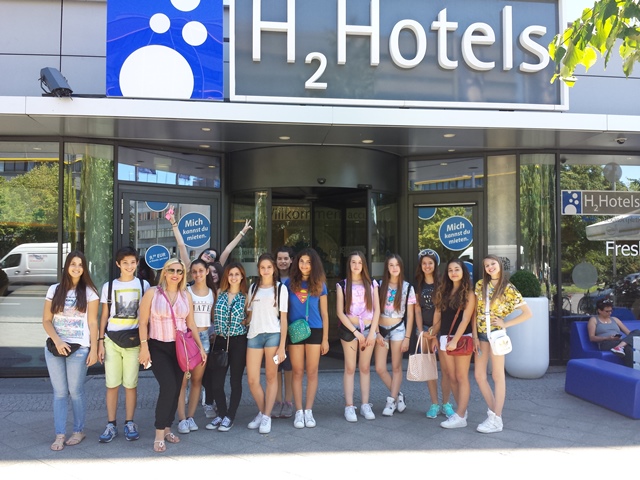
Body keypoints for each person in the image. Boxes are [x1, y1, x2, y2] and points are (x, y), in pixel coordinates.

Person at [138, 258, 207, 452]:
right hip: (158, 346)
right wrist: (144, 347)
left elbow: (191, 323)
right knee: (168, 386)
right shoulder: (152, 293)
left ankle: (168, 427)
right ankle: (159, 432)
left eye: (179, 271)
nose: (175, 274)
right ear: (165, 272)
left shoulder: (186, 295)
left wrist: (200, 347)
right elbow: (142, 322)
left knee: (176, 388)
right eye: (172, 270)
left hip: (180, 347)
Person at [42, 250, 99, 451]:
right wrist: (57, 341)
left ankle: (78, 431)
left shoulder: (90, 292)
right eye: (73, 264)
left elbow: (93, 322)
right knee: (59, 393)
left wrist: (94, 349)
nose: (76, 268)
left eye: (80, 265)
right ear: (66, 266)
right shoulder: (54, 290)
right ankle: (59, 434)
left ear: (84, 268)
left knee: (75, 391)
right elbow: (46, 320)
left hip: (79, 349)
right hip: (55, 347)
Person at [473, 255, 532, 434]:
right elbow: (475, 313)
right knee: (479, 375)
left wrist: (505, 324)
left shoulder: (508, 287)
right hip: (481, 335)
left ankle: (496, 418)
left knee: (498, 376)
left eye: (493, 264)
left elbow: (527, 313)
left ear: (499, 265)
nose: (490, 267)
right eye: (486, 265)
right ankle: (494, 414)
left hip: (497, 335)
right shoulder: (480, 285)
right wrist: (474, 336)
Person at [97, 246, 149, 443]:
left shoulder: (143, 285)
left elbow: (146, 317)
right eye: (125, 262)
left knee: (130, 384)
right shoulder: (109, 286)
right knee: (111, 385)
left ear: (137, 263)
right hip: (111, 339)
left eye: (133, 262)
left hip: (133, 340)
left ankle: (129, 422)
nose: (129, 266)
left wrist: (145, 345)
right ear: (118, 264)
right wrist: (100, 342)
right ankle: (111, 424)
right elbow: (104, 316)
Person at [285, 248, 329, 428]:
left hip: (315, 330)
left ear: (314, 265)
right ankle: (299, 411)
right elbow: (284, 311)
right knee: (297, 371)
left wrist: (325, 339)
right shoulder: (288, 283)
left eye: (308, 262)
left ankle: (308, 411)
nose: (304, 265)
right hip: (295, 330)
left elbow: (325, 314)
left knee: (312, 372)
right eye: (302, 261)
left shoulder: (320, 284)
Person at [245, 253, 288, 434]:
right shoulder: (253, 288)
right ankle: (263, 412)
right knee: (252, 379)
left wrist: (282, 346)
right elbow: (249, 315)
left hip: (273, 335)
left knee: (271, 377)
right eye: (262, 267)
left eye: (269, 267)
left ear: (274, 268)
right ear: (258, 270)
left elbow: (283, 319)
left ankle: (266, 416)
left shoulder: (280, 289)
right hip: (254, 335)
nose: (266, 270)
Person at [337, 251, 380, 422]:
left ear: (364, 265)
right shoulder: (342, 285)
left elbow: (377, 310)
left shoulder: (372, 284)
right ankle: (349, 406)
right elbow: (340, 312)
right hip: (350, 330)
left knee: (365, 368)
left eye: (360, 262)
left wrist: (372, 333)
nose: (356, 265)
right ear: (349, 264)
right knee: (349, 367)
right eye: (353, 262)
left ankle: (365, 404)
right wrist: (355, 332)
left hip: (369, 329)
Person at [206, 262, 249, 432]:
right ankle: (222, 413)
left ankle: (230, 416)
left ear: (242, 276)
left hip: (238, 341)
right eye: (231, 274)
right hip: (220, 341)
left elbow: (250, 317)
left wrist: (245, 321)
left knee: (235, 381)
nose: (233, 277)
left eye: (237, 274)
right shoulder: (219, 293)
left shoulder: (246, 296)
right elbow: (213, 315)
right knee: (216, 382)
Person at [433, 258, 476, 429]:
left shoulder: (469, 293)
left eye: (457, 269)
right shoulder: (444, 291)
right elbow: (440, 316)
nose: (453, 273)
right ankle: (461, 411)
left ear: (463, 272)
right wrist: (433, 333)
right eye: (450, 270)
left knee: (461, 376)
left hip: (461, 338)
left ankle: (460, 416)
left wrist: (455, 341)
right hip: (445, 338)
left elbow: (465, 319)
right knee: (451, 376)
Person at [176, 259, 216, 434]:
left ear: (207, 271)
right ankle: (182, 419)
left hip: (204, 337)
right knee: (182, 381)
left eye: (201, 270)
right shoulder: (186, 292)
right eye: (194, 271)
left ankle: (191, 417)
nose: (198, 274)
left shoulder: (212, 293)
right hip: (188, 338)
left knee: (197, 381)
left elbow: (212, 317)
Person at [374, 254, 415, 417]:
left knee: (396, 367)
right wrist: (376, 332)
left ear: (401, 267)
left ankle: (391, 401)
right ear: (387, 268)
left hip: (398, 329)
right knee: (380, 368)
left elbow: (410, 315)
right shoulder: (379, 285)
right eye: (391, 265)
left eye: (397, 265)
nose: (394, 268)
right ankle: (398, 396)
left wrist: (407, 338)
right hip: (381, 330)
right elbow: (374, 311)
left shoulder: (407, 287)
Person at [414, 248, 451, 419]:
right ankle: (434, 404)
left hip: (440, 330)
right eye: (424, 263)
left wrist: (434, 333)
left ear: (435, 265)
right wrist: (421, 331)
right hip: (424, 330)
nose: (427, 266)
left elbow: (439, 310)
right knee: (429, 368)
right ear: (420, 265)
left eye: (430, 263)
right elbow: (417, 310)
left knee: (446, 369)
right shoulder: (417, 284)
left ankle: (447, 403)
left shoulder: (442, 283)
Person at [274, 246, 294, 418]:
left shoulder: (295, 280)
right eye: (279, 258)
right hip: (273, 327)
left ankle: (288, 401)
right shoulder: (270, 279)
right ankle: (277, 401)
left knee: (288, 366)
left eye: (286, 258)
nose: (282, 261)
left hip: (291, 326)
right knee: (275, 365)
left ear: (291, 260)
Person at [588, 298, 640, 365]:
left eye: (611, 311)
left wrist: (630, 337)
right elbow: (592, 337)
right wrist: (608, 338)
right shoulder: (594, 320)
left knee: (637, 332)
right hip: (606, 343)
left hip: (619, 341)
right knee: (628, 347)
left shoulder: (615, 319)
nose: (609, 313)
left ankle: (619, 347)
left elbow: (629, 333)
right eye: (607, 311)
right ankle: (629, 367)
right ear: (599, 310)